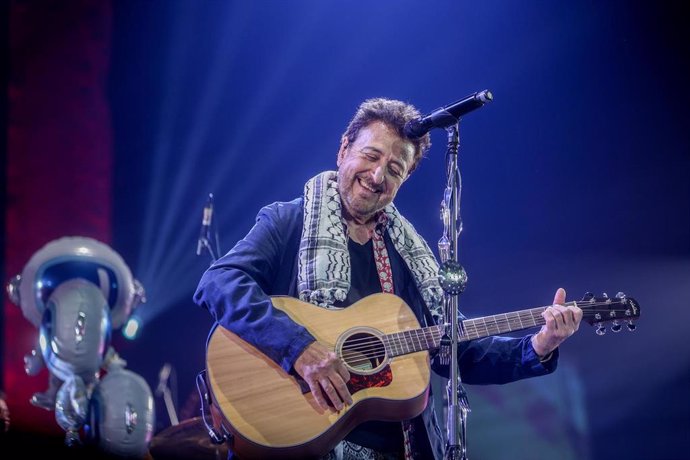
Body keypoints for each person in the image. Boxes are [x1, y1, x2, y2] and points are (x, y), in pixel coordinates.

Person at [193, 98, 583, 459]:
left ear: (405, 179)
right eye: (370, 155)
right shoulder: (288, 221)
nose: (377, 175)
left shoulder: (410, 259)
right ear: (344, 149)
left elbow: (456, 348)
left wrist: (538, 344)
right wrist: (299, 347)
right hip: (298, 437)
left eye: (394, 169)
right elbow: (219, 281)